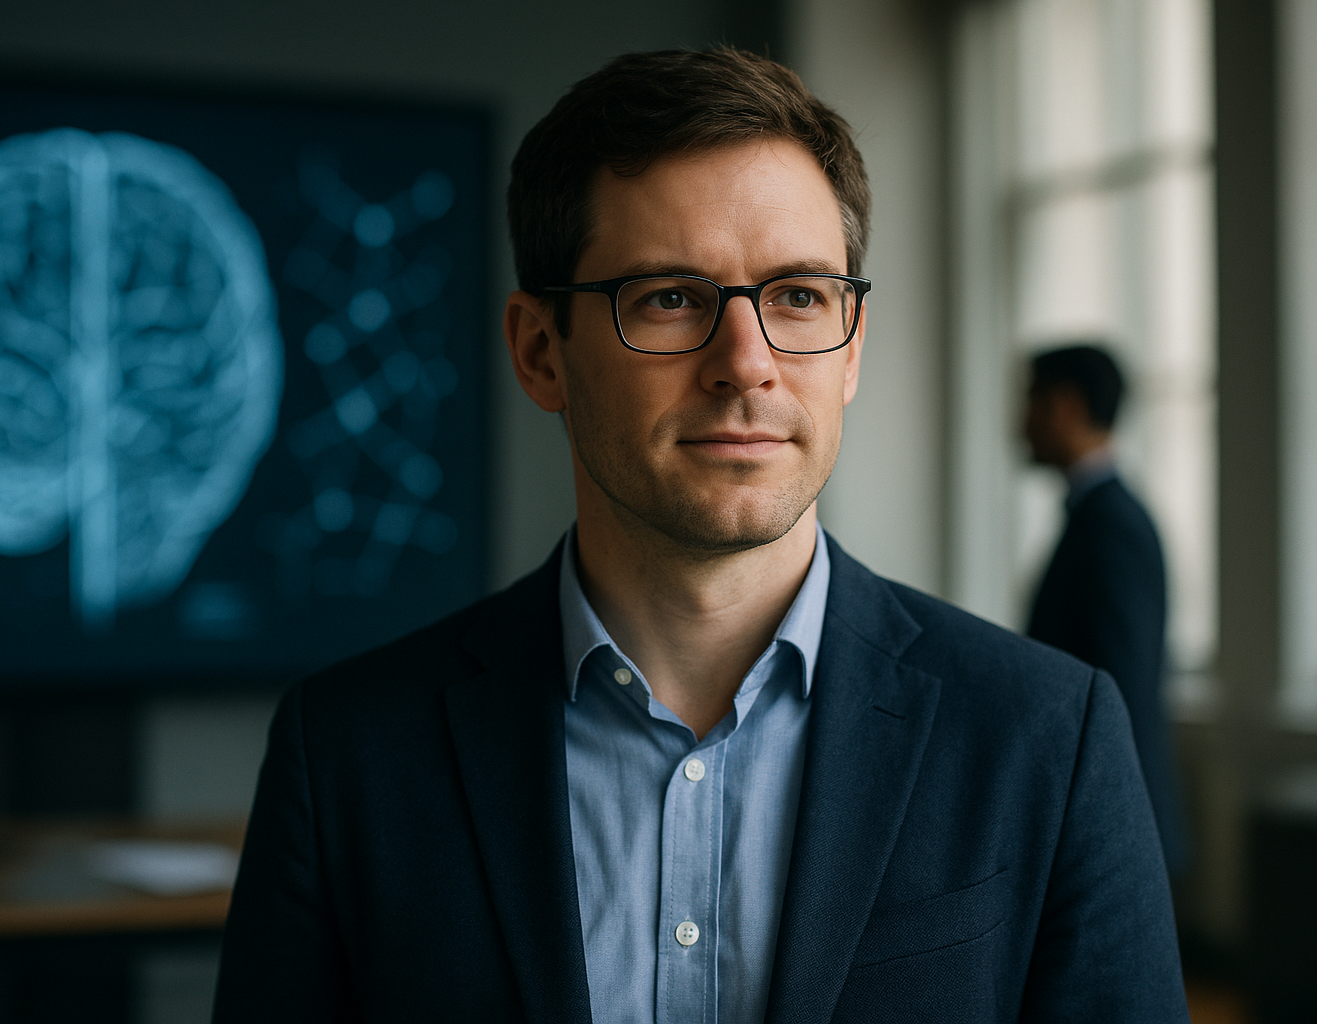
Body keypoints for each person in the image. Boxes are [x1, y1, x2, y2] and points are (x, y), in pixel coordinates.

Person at [215, 48, 1187, 1023]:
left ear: (850, 350)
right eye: (671, 298)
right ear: (540, 352)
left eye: (800, 295)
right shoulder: (347, 754)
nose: (747, 363)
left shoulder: (1048, 740)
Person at [1024, 344, 1189, 875]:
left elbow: (1121, 687)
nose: (1019, 421)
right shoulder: (1100, 517)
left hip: (1111, 821)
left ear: (1067, 406)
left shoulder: (1112, 526)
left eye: (1031, 400)